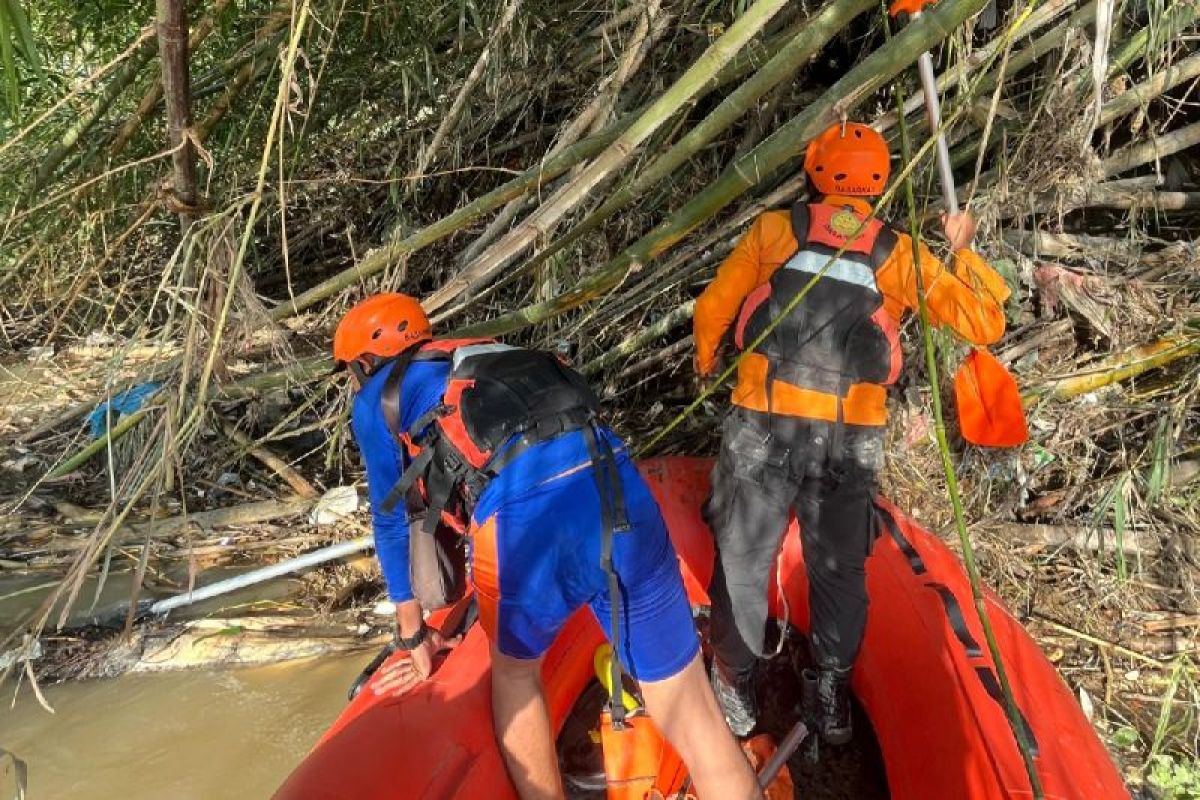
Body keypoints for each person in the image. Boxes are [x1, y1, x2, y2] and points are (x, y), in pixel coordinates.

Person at [335, 293, 759, 800]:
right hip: (619, 491)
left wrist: (412, 639)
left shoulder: (377, 397)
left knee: (515, 677)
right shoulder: (486, 352)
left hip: (525, 521)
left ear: (365, 361)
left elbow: (391, 521)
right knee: (693, 710)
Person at [692, 122, 1011, 744]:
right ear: (879, 180)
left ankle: (734, 686)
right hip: (849, 439)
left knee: (743, 558)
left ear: (816, 171)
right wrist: (963, 249)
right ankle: (830, 692)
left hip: (763, 423)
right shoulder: (900, 252)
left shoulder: (774, 231)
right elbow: (984, 322)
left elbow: (712, 310)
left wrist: (708, 366)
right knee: (839, 570)